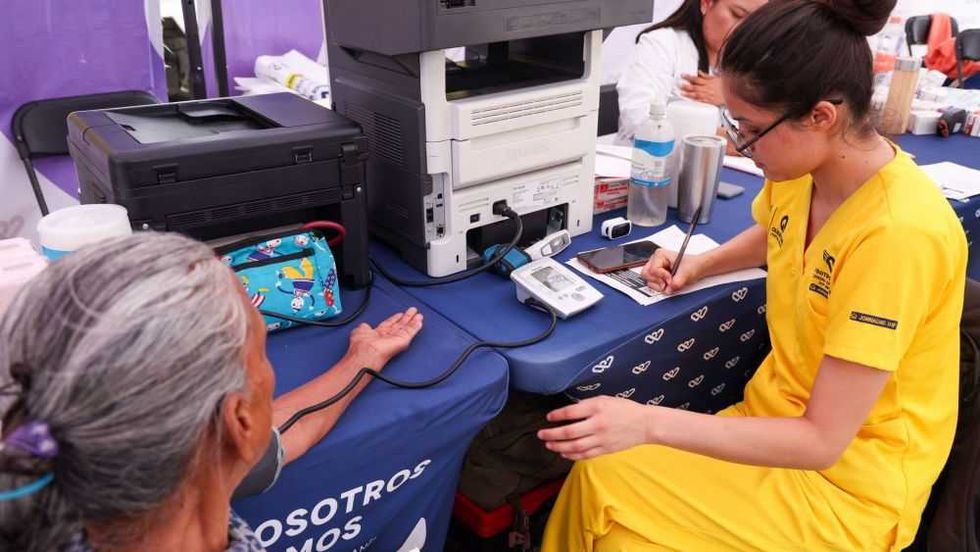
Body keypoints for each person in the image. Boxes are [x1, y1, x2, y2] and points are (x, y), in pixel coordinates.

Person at [539, 0, 968, 550]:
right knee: (601, 478)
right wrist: (702, 262)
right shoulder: (801, 167)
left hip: (848, 484)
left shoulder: (898, 236)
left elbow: (820, 442)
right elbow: (775, 231)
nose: (739, 143)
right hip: (770, 417)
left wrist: (645, 422)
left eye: (749, 128)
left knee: (614, 500)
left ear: (821, 116)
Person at [0, 233, 423, 551]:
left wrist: (361, 360)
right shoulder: (192, 470)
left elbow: (275, 433)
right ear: (238, 422)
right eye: (261, 351)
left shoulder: (114, 476)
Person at [616, 0, 765, 143]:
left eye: (754, 22)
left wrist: (731, 95)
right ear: (706, 3)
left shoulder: (753, 63)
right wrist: (716, 137)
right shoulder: (661, 44)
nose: (744, 30)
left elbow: (765, 128)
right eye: (737, 14)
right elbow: (638, 120)